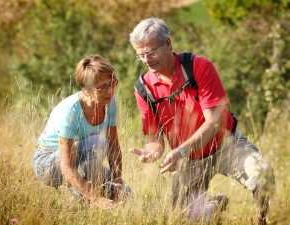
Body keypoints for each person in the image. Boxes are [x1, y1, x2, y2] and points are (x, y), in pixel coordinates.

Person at [129, 17, 275, 224]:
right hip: (189, 160)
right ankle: (213, 207)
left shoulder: (199, 67)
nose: (146, 59)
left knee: (262, 175)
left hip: (226, 145)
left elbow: (213, 122)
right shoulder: (143, 89)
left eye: (151, 52)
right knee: (179, 218)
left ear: (168, 44)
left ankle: (263, 220)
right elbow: (155, 137)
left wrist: (180, 151)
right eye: (140, 55)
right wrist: (152, 151)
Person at [33, 55, 128, 208]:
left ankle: (86, 198)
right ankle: (79, 205)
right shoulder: (70, 111)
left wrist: (117, 186)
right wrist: (97, 199)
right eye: (102, 87)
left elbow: (114, 147)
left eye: (112, 83)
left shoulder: (109, 102)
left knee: (126, 195)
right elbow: (67, 166)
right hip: (48, 163)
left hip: (83, 158)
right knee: (97, 143)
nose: (110, 91)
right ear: (86, 89)